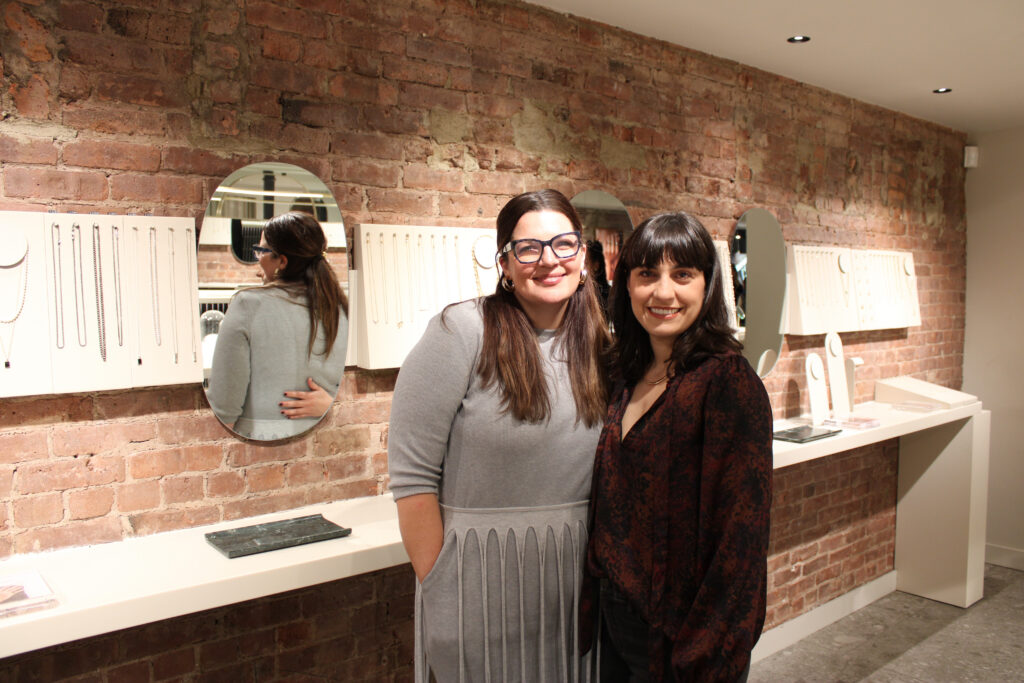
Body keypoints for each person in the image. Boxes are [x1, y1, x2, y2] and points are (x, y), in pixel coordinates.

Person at [388, 189, 612, 682]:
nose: (548, 260)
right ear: (505, 264)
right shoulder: (461, 331)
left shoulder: (601, 344)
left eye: (564, 244)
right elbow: (412, 479)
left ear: (583, 258)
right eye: (528, 248)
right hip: (478, 585)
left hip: (578, 586)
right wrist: (441, 580)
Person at [583, 212, 773, 682]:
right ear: (626, 285)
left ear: (707, 287)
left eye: (682, 274)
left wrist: (705, 656)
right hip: (617, 623)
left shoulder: (727, 382)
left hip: (685, 641)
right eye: (647, 274)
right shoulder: (626, 375)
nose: (663, 292)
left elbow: (740, 545)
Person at [207, 211, 348, 440]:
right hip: (326, 444)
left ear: (282, 261)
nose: (257, 258)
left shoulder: (247, 304)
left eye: (261, 251)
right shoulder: (340, 308)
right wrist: (329, 405)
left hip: (261, 446)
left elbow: (224, 409)